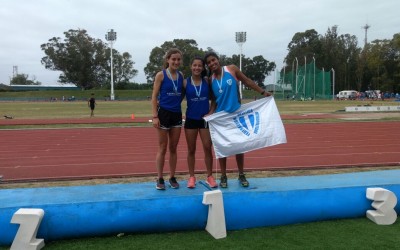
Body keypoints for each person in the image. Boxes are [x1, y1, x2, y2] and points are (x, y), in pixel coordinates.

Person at [204, 51, 272, 188]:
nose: (212, 63)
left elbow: (246, 81)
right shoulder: (211, 80)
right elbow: (214, 101)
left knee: (239, 147)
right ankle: (223, 176)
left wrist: (262, 92)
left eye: (213, 60)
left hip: (236, 115)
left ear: (218, 59)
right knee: (222, 148)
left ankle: (241, 174)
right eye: (209, 63)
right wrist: (210, 114)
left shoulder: (231, 69)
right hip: (221, 118)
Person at [151, 48, 184, 190]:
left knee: (173, 148)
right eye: (173, 59)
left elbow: (183, 92)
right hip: (163, 114)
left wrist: (178, 101)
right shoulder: (161, 75)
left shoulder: (181, 75)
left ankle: (172, 177)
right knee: (163, 147)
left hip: (176, 114)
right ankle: (159, 178)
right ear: (168, 60)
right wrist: (155, 116)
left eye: (178, 59)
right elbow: (154, 96)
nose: (176, 62)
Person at [183, 56, 217, 189]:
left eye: (199, 66)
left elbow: (214, 99)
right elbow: (178, 98)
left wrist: (210, 112)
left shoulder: (207, 81)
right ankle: (192, 177)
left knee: (207, 148)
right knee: (191, 149)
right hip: (191, 119)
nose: (197, 68)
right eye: (194, 65)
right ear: (191, 67)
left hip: (204, 120)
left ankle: (209, 176)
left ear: (203, 68)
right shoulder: (185, 83)